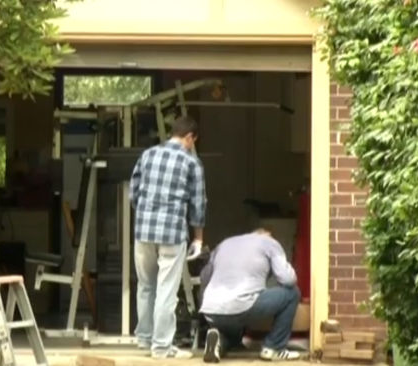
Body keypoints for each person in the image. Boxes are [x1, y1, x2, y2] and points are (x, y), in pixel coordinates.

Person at [129, 115, 207, 359]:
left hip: (143, 231)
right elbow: (198, 205)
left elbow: (134, 193)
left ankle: (144, 338)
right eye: (193, 141)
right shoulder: (192, 163)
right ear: (189, 137)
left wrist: (145, 215)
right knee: (166, 289)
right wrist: (198, 239)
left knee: (146, 285)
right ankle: (161, 347)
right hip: (172, 233)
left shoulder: (148, 155)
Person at [199, 228, 301, 363]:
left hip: (211, 310)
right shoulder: (269, 243)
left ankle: (218, 341)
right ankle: (274, 348)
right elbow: (288, 279)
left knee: (234, 338)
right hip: (243, 306)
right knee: (292, 293)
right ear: (267, 236)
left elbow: (204, 277)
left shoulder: (225, 244)